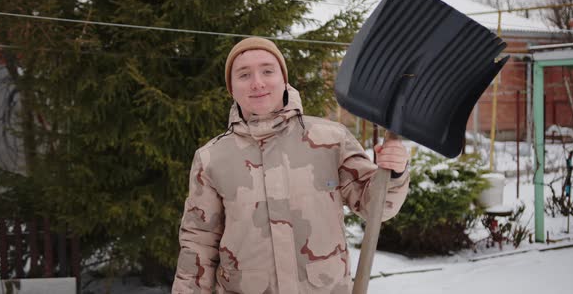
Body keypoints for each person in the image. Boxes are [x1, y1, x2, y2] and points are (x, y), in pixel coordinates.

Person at [172, 37, 410, 294]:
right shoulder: (211, 158)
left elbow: (375, 206)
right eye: (244, 74)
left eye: (267, 71)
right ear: (231, 88)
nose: (258, 82)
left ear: (283, 79)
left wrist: (393, 173)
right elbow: (198, 243)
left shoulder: (331, 139)